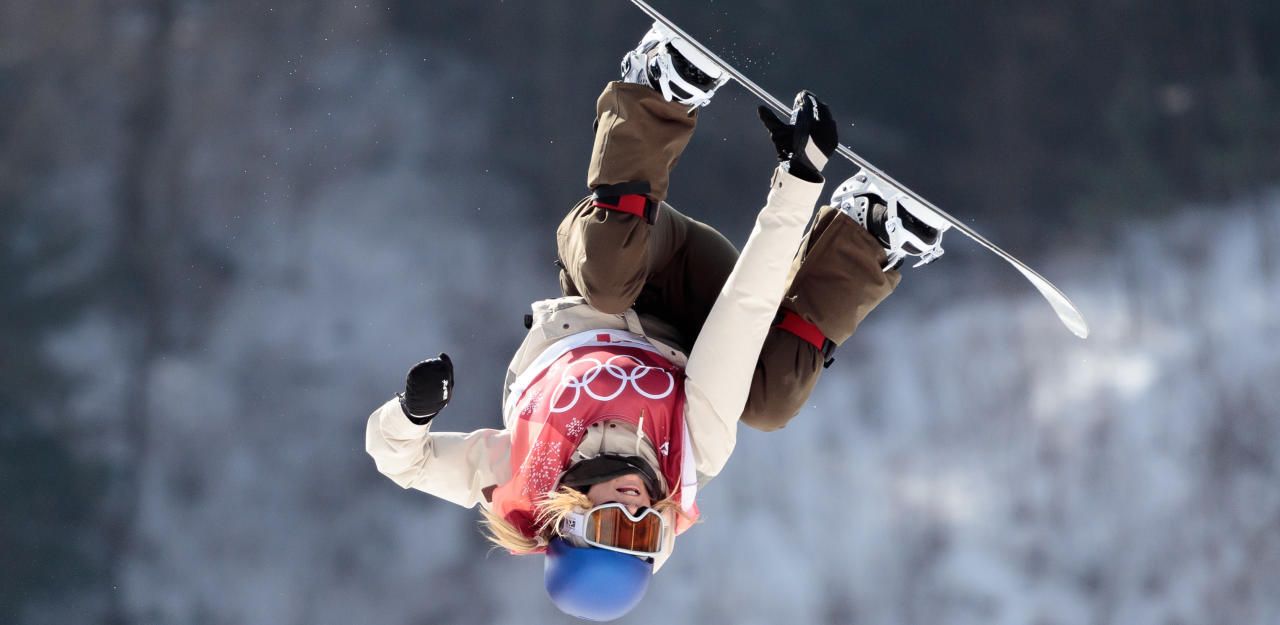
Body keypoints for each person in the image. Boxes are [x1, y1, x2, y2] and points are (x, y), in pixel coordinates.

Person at [365, 22, 948, 622]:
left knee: (608, 281)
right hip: (699, 298)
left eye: (615, 524)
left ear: (569, 516)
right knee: (772, 401)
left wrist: (413, 415)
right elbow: (742, 313)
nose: (638, 510)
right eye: (647, 536)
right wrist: (799, 180)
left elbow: (400, 461)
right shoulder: (690, 458)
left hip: (618, 260)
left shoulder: (518, 468)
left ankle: (655, 92)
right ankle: (867, 231)